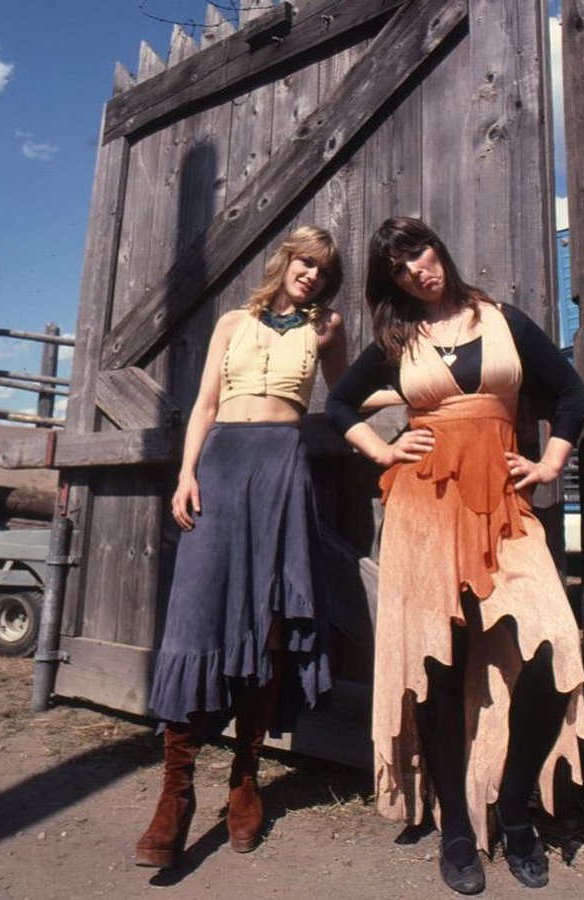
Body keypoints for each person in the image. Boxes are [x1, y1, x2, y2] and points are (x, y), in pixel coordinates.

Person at [325, 217, 584, 894]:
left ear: (439, 246)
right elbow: (338, 403)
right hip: (422, 511)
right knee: (438, 665)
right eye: (399, 266)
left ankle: (514, 805)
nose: (417, 268)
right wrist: (384, 450)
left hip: (502, 507)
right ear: (393, 282)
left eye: (419, 250)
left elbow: (570, 392)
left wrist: (551, 460)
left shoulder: (501, 320)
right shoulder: (398, 339)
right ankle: (456, 833)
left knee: (551, 648)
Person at [135, 225, 348, 869]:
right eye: (304, 262)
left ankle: (246, 777)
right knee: (195, 616)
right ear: (286, 262)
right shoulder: (233, 322)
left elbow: (345, 403)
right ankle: (176, 790)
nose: (311, 274)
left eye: (322, 269)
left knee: (271, 624)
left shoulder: (327, 329)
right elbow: (203, 405)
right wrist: (186, 473)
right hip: (222, 465)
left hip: (281, 471)